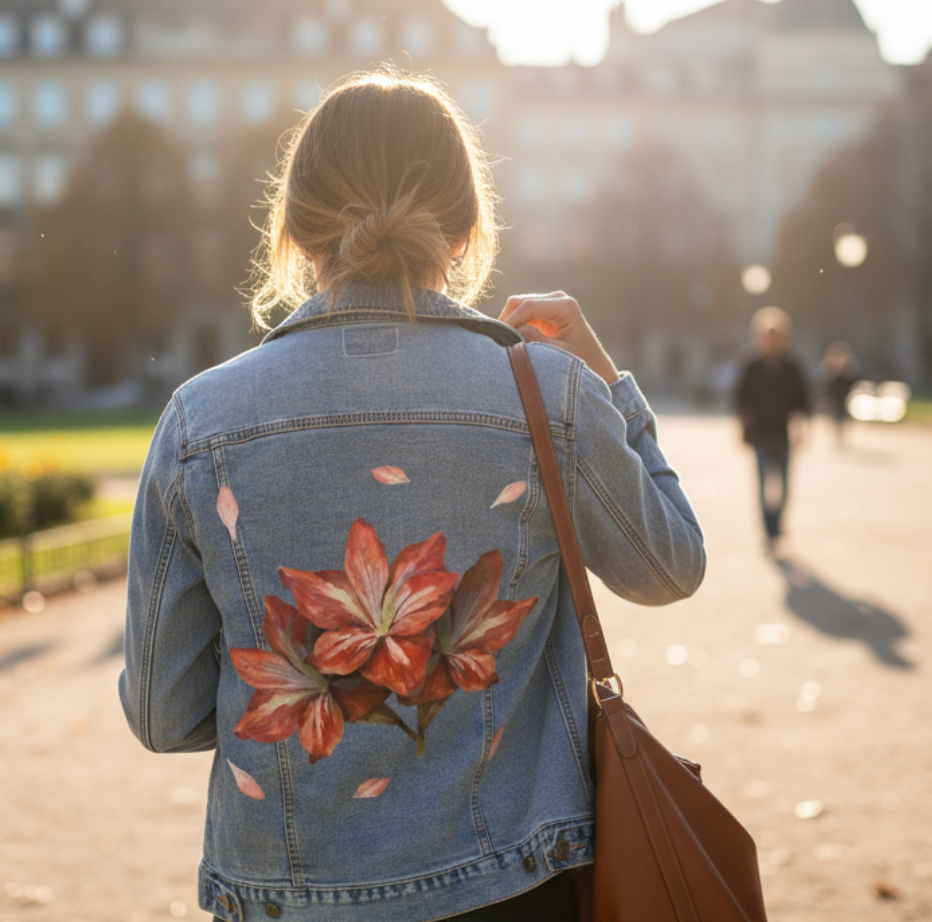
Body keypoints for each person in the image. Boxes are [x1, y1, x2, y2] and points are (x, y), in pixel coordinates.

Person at [119, 69, 706, 922]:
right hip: (514, 883)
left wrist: (320, 691)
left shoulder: (199, 421)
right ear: (469, 231)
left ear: (291, 229)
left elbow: (160, 714)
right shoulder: (547, 392)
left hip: (290, 896)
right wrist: (607, 382)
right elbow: (670, 566)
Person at [735, 306, 810, 554]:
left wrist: (800, 428)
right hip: (760, 434)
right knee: (765, 482)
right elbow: (741, 399)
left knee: (785, 483)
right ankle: (769, 531)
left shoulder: (793, 366)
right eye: (767, 335)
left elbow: (802, 400)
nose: (772, 340)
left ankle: (778, 524)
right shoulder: (751, 365)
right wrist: (743, 428)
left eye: (776, 335)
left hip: (784, 434)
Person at [819, 341, 858, 446]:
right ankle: (835, 434)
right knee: (834, 415)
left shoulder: (846, 367)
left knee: (843, 416)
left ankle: (842, 435)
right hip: (834, 396)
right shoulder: (830, 367)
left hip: (843, 396)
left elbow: (851, 380)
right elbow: (827, 382)